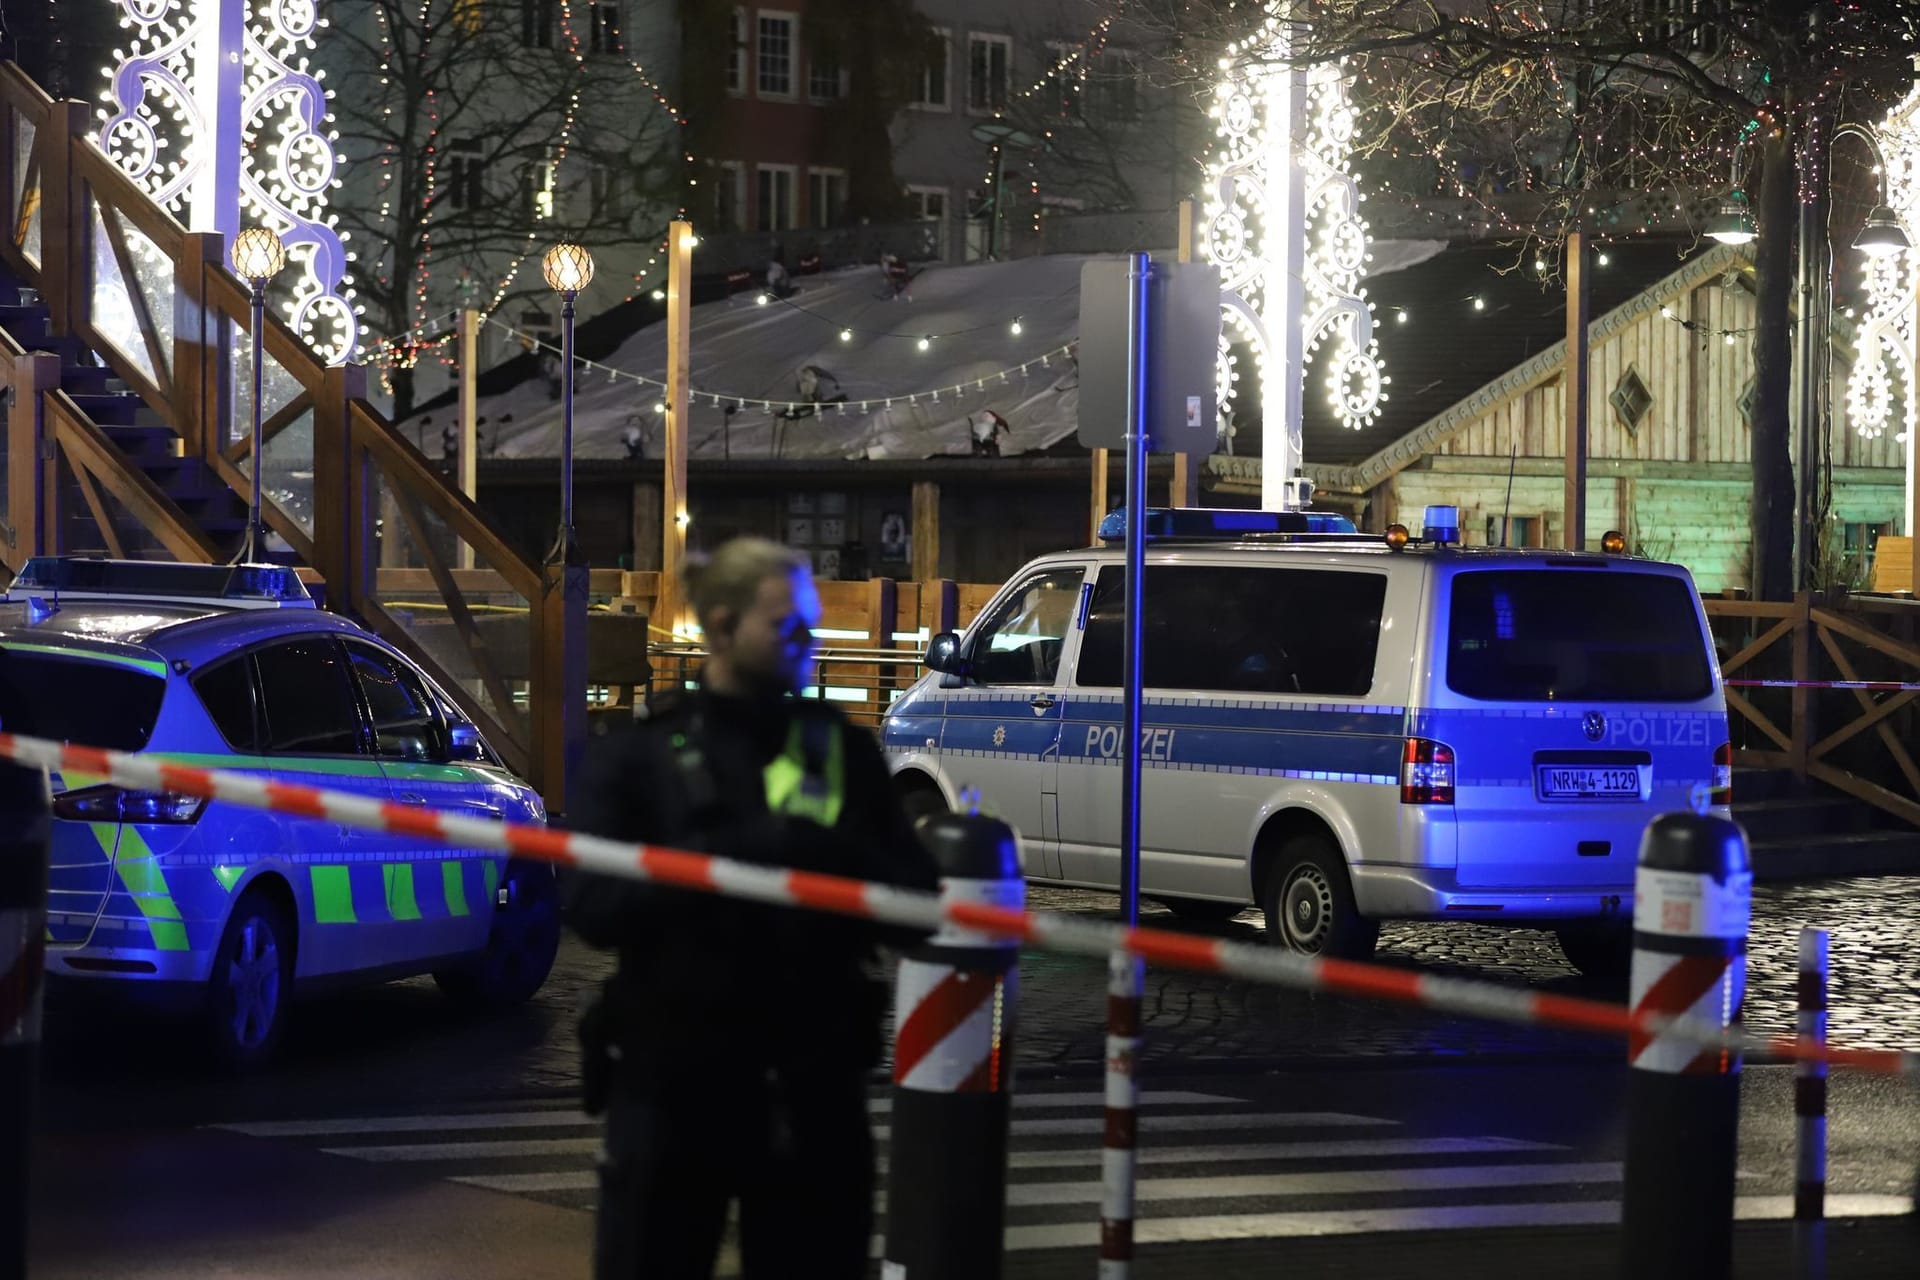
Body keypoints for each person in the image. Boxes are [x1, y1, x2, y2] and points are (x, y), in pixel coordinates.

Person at [564, 537, 938, 1280]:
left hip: (811, 1085)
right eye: (787, 628)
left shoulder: (842, 754)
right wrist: (716, 868)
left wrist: (827, 860)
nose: (807, 645)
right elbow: (591, 906)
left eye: (809, 626)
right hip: (675, 1085)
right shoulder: (645, 758)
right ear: (724, 627)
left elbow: (918, 905)